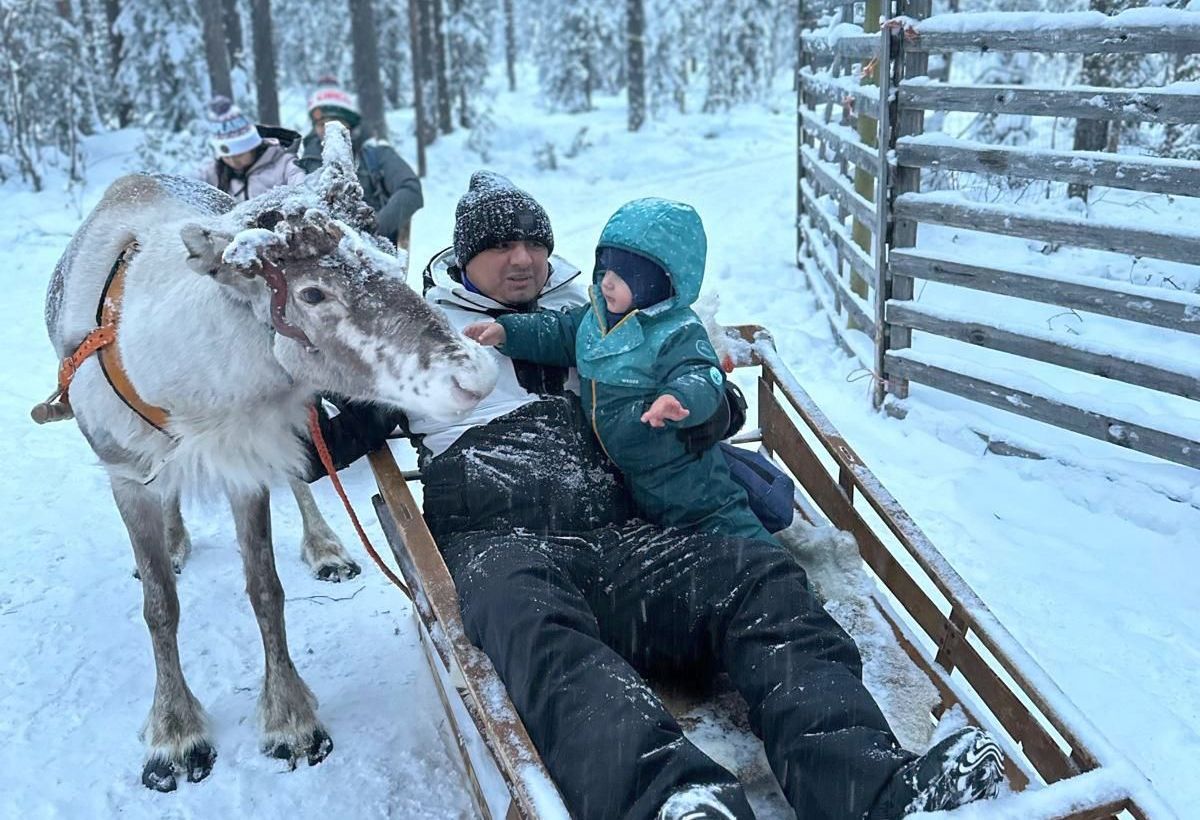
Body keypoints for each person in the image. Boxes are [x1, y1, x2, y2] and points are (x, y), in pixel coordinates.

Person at [308, 173, 1005, 820]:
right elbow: (321, 445)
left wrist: (705, 414)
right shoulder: (414, 334)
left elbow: (708, 386)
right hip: (503, 541)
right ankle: (675, 801)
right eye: (498, 245)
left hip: (620, 536)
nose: (521, 259)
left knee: (757, 576)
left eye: (533, 243)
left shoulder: (606, 317)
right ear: (465, 256)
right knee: (532, 624)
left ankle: (872, 788)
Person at [464, 195, 772, 543]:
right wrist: (508, 332)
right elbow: (559, 332)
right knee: (679, 538)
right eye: (605, 269)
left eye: (623, 276)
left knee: (724, 525)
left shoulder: (676, 331)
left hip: (679, 467)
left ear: (657, 283)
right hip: (633, 474)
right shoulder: (596, 317)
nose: (607, 282)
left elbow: (699, 373)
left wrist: (677, 398)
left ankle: (788, 583)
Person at [297, 77, 422, 249]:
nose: (327, 129)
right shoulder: (305, 160)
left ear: (349, 123)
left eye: (335, 122)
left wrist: (373, 230)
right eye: (320, 123)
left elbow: (411, 190)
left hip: (371, 254)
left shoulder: (376, 154)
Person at [197, 96, 305, 200]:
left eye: (239, 154)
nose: (233, 161)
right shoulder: (216, 171)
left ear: (253, 146)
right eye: (227, 157)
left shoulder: (284, 164)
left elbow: (302, 190)